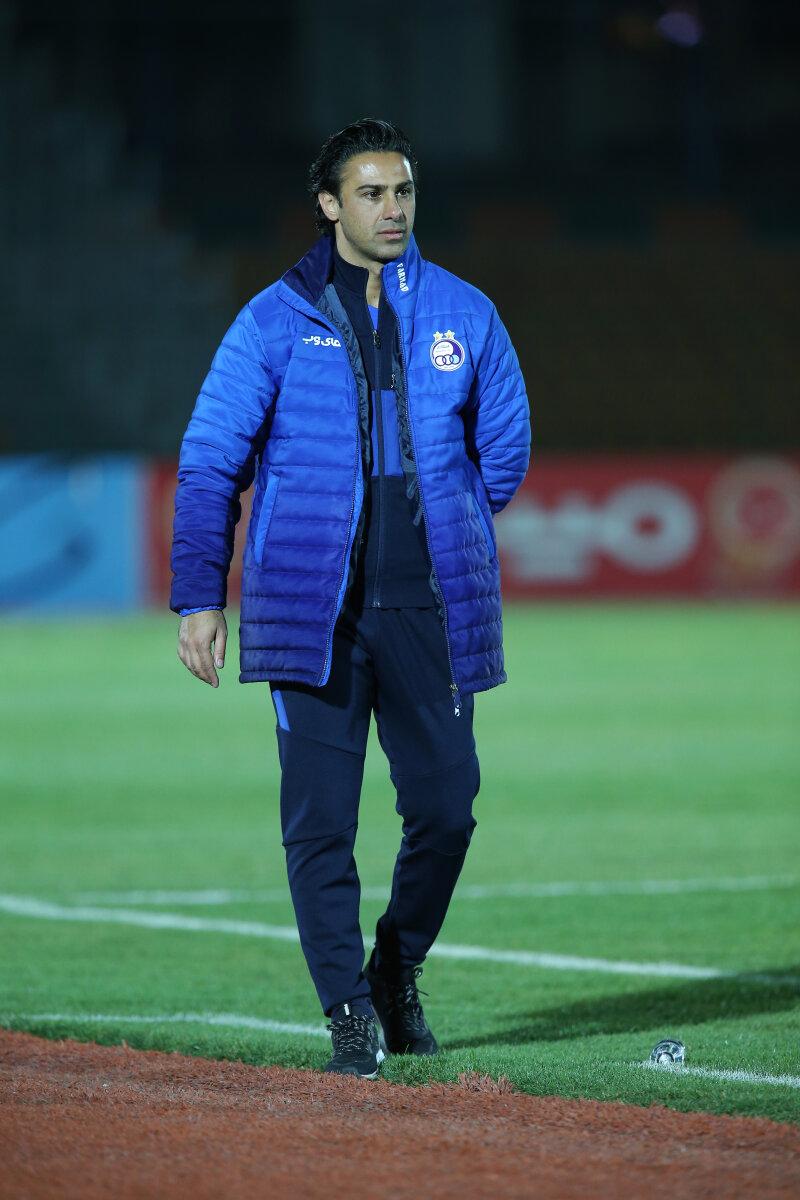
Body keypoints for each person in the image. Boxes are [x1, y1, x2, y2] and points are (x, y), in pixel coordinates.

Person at [171, 118, 530, 1078]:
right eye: (371, 193)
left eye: (403, 191)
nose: (392, 209)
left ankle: (394, 969)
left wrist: (444, 520)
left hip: (431, 608)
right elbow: (209, 462)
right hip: (310, 611)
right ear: (330, 204)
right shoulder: (271, 321)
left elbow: (504, 449)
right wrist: (199, 597)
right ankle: (348, 1014)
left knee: (447, 810)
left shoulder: (465, 312)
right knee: (321, 823)